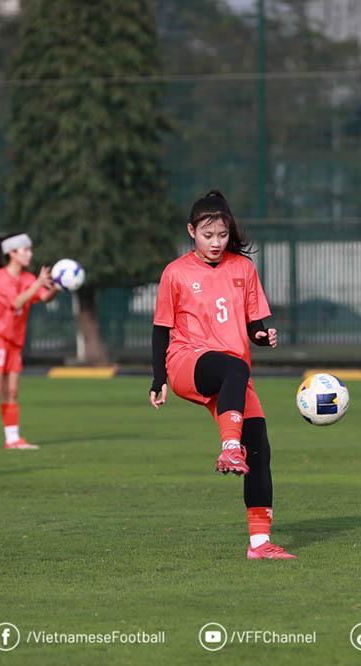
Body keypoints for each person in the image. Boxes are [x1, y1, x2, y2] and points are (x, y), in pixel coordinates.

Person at [149, 189, 294, 559]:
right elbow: (161, 328)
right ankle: (230, 448)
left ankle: (260, 545)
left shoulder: (243, 268)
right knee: (234, 365)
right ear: (191, 232)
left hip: (233, 374)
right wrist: (157, 378)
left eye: (222, 235)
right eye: (207, 235)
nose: (216, 242)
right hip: (186, 363)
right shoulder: (175, 272)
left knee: (259, 448)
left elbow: (253, 324)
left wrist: (263, 336)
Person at [0, 232, 58, 451]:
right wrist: (38, 283)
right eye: (25, 250)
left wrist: (59, 285)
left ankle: (12, 439)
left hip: (14, 340)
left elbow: (44, 296)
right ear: (11, 253)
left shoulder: (29, 278)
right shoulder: (1, 277)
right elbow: (16, 302)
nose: (29, 254)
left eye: (30, 250)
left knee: (12, 391)